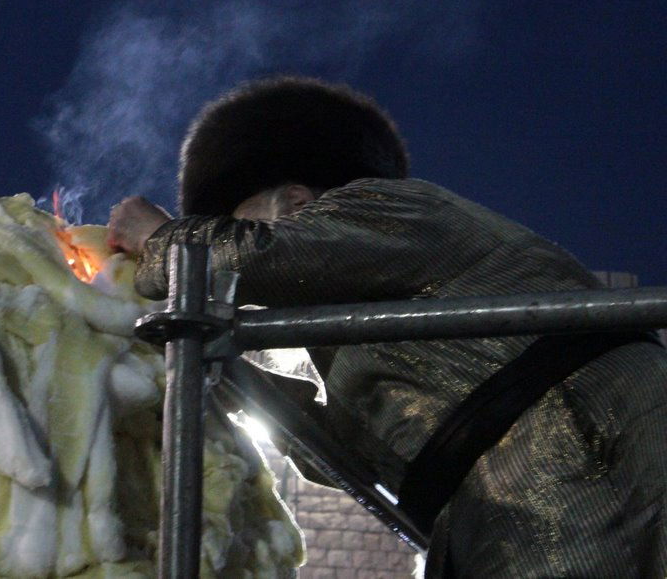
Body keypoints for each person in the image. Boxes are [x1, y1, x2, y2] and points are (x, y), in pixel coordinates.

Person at [107, 75, 667, 577]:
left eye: (236, 222)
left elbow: (250, 259)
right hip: (501, 499)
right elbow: (348, 454)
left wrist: (163, 239)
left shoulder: (388, 207)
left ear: (296, 203)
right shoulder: (355, 324)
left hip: (584, 452)